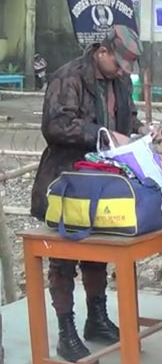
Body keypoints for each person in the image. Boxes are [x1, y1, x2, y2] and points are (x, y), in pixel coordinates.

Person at [29, 26, 146, 362]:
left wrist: (139, 129)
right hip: (67, 180)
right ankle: (67, 331)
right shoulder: (69, 77)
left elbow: (129, 114)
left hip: (104, 181)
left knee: (98, 252)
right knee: (63, 258)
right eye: (119, 63)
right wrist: (104, 134)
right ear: (102, 51)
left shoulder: (121, 80)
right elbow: (55, 126)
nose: (124, 71)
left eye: (128, 67)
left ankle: (97, 318)